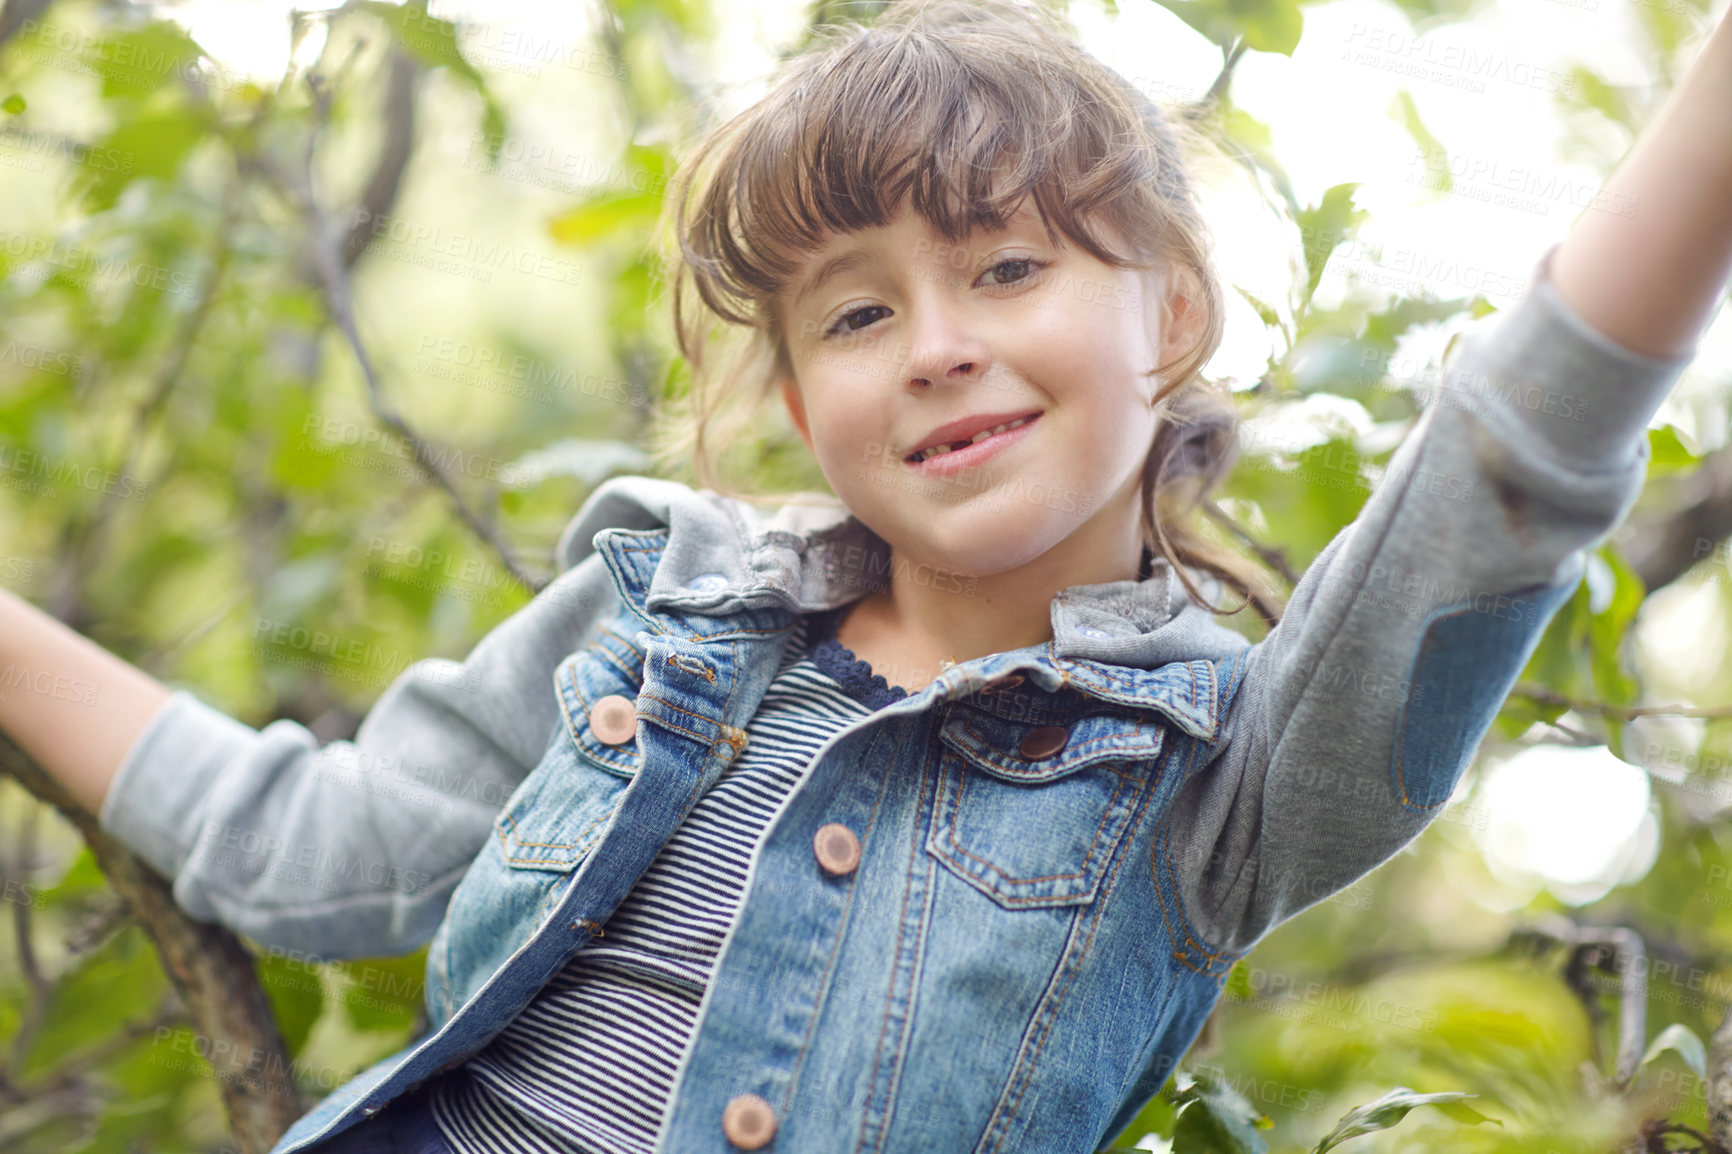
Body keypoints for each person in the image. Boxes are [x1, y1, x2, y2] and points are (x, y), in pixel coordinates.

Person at [5, 0, 1730, 1150]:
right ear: (800, 398)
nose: (934, 347)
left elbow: (1504, 473)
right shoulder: (664, 610)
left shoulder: (1224, 778)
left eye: (1005, 264)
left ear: (1174, 317)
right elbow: (313, 851)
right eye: (855, 310)